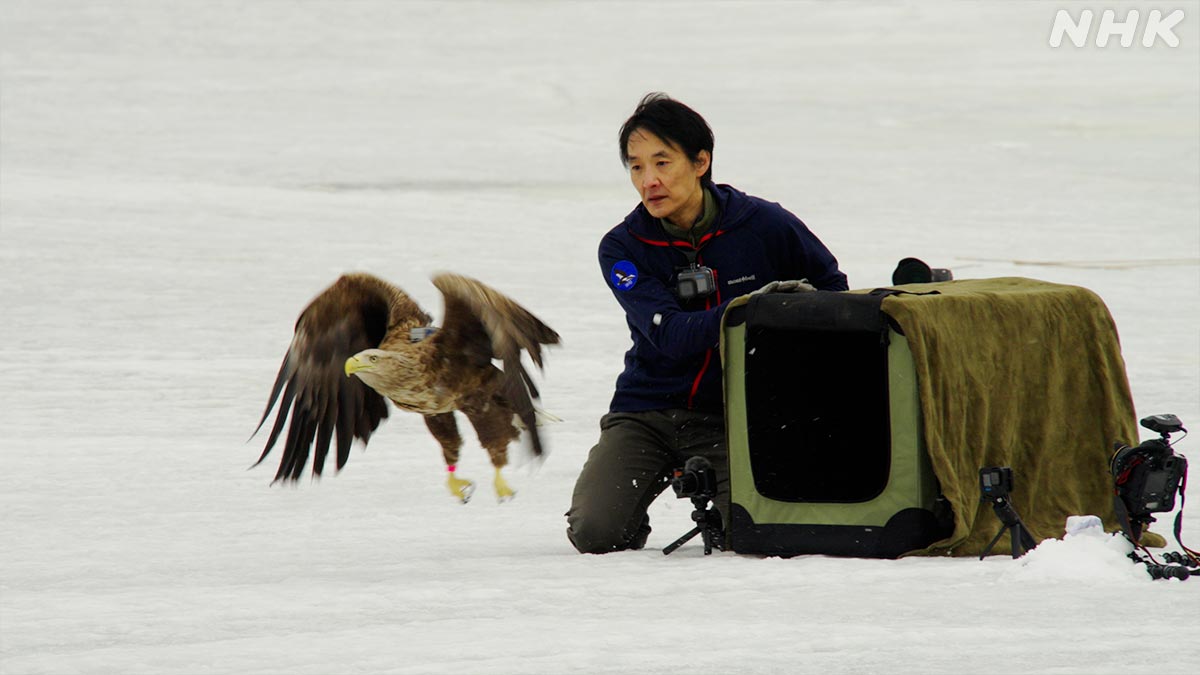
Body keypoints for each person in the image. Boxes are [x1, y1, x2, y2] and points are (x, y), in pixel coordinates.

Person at [565, 93, 848, 554]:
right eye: (636, 167)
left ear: (700, 162)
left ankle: (722, 496)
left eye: (662, 162)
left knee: (756, 533)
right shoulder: (622, 248)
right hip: (647, 412)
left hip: (735, 415)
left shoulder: (764, 224)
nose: (649, 181)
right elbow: (670, 335)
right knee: (597, 533)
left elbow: (834, 289)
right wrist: (753, 310)